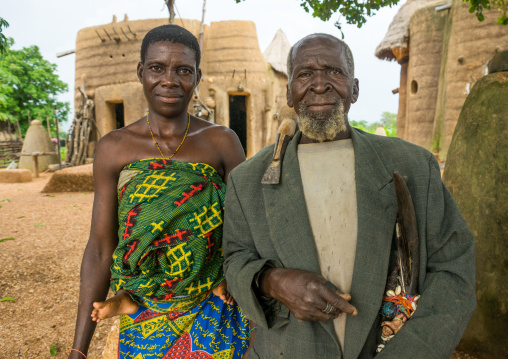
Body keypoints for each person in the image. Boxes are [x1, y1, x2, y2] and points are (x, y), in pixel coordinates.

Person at [222, 33, 476, 358]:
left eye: (334, 71)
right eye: (304, 74)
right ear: (288, 93)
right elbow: (235, 260)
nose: (319, 85)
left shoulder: (413, 166)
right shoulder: (248, 180)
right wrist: (273, 281)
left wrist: (411, 351)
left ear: (354, 89)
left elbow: (454, 267)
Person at [68, 25, 249, 359]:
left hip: (217, 305)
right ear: (141, 72)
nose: (169, 80)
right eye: (157, 68)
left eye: (183, 70)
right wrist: (78, 349)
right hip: (143, 313)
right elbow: (99, 247)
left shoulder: (222, 142)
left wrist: (237, 278)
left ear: (197, 76)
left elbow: (246, 226)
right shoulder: (115, 148)